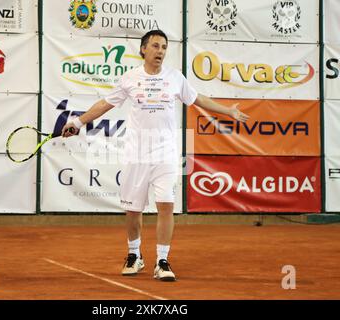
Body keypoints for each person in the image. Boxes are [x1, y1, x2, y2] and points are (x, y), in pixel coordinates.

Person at [62, 29, 249, 282]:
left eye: (164, 47)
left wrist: (228, 110)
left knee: (166, 205)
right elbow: (105, 103)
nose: (160, 51)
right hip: (136, 154)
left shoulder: (175, 78)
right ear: (143, 49)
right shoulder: (130, 78)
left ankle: (162, 261)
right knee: (133, 210)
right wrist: (78, 121)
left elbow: (198, 99)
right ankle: (134, 255)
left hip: (165, 153)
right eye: (156, 46)